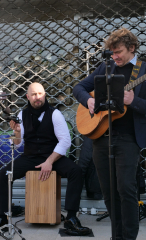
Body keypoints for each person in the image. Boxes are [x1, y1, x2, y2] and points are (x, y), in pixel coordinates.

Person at [73, 28, 146, 240]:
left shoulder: (142, 72)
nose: (115, 56)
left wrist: (135, 102)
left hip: (128, 140)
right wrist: (88, 100)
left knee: (126, 189)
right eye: (112, 52)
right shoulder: (106, 67)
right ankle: (117, 236)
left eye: (119, 52)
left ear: (132, 48)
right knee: (108, 192)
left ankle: (128, 237)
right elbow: (79, 87)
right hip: (101, 138)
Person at [0, 82, 92, 236]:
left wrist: (49, 161)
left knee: (76, 171)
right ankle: (1, 218)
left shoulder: (55, 114)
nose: (37, 97)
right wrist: (17, 133)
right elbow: (17, 145)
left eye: (40, 94)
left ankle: (71, 218)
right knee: (5, 174)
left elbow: (65, 141)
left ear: (45, 95)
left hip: (52, 156)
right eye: (33, 94)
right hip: (30, 157)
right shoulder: (21, 115)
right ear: (28, 97)